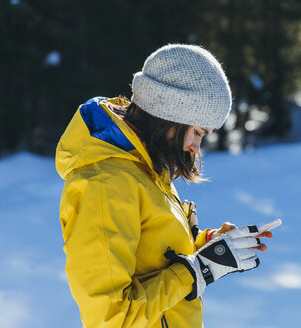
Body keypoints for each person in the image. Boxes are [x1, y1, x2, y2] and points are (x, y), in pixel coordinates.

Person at [56, 44, 272, 328]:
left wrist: (208, 247)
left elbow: (153, 255)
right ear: (169, 113)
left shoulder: (144, 168)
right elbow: (110, 318)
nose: (196, 147)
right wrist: (197, 271)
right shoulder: (106, 183)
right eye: (197, 131)